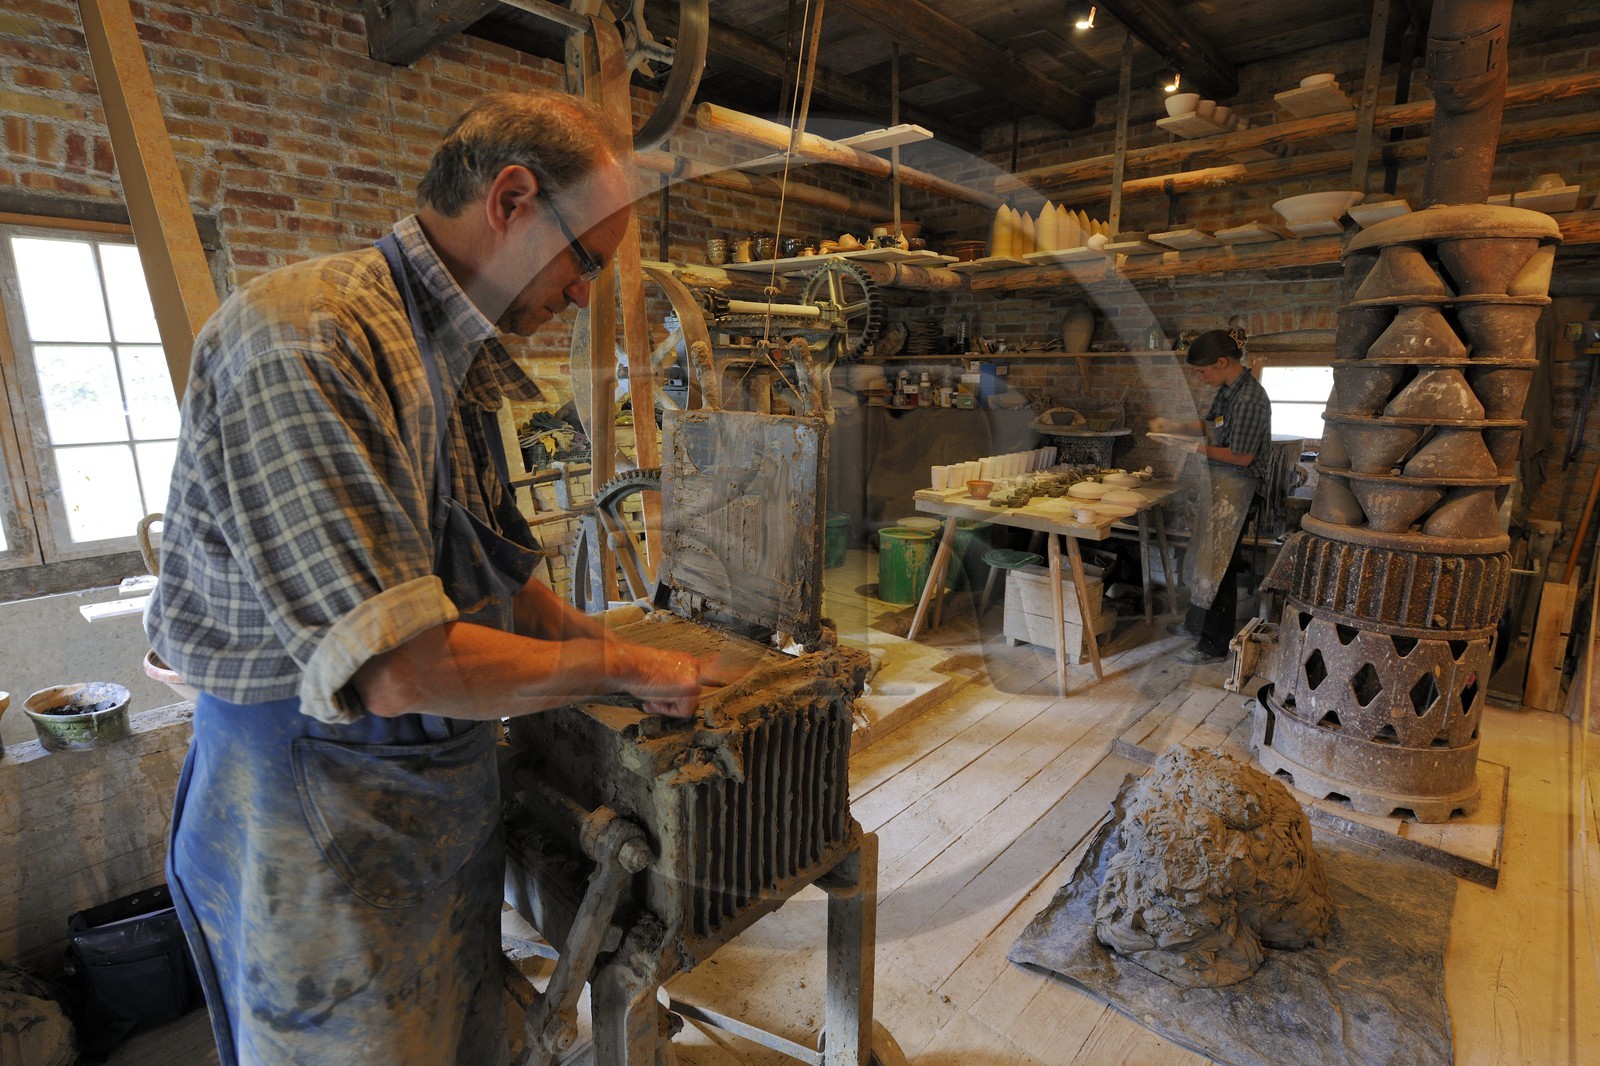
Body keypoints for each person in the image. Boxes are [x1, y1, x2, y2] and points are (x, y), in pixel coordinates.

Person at [146, 91, 724, 1065]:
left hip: (421, 799)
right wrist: (624, 668)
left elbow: (499, 578)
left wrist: (615, 651)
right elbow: (398, 667)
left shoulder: (448, 356)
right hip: (308, 807)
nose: (584, 296)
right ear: (511, 200)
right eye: (585, 261)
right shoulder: (310, 340)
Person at [1148, 328, 1271, 665]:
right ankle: (1196, 624)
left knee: (1219, 566)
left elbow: (1242, 457)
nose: (1200, 379)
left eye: (1201, 372)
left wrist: (1194, 449)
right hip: (1220, 482)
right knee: (1204, 558)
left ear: (1222, 362)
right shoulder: (1228, 391)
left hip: (1238, 488)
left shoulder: (1250, 399)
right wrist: (1173, 427)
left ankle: (1213, 644)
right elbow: (1209, 425)